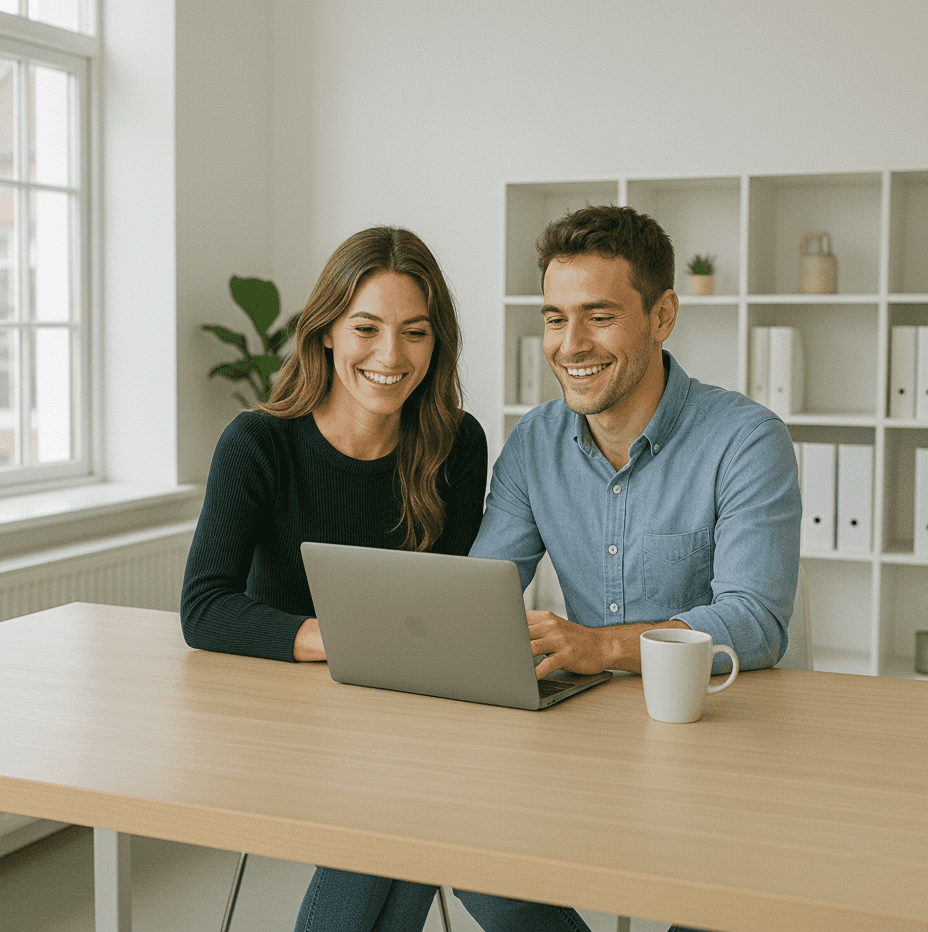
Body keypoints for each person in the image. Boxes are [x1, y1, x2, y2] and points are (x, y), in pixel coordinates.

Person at [452, 204, 802, 932]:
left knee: (718, 909)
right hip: (584, 739)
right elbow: (479, 596)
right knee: (474, 863)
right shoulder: (534, 442)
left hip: (721, 743)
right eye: (554, 317)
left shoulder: (745, 439)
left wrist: (600, 644)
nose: (569, 344)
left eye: (599, 316)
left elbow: (758, 622)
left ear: (663, 314)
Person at [181, 226, 488, 932]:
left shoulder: (456, 445)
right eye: (367, 328)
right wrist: (341, 639)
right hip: (286, 723)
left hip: (403, 719)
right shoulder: (258, 443)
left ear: (437, 343)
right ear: (325, 333)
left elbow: (452, 607)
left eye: (415, 332)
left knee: (409, 795)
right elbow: (204, 608)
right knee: (406, 805)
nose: (390, 355)